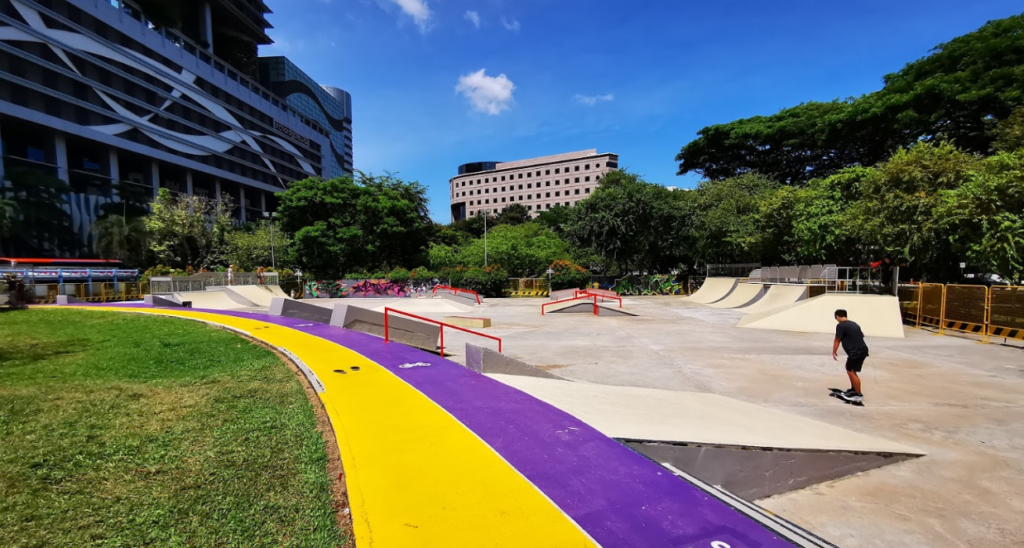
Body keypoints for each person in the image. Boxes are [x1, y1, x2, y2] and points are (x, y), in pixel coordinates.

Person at [832, 309, 869, 403]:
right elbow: (860, 336)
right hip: (862, 349)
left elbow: (837, 339)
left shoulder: (841, 325)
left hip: (855, 351)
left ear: (837, 316)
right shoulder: (854, 324)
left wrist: (834, 352)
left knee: (851, 371)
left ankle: (858, 394)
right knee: (851, 370)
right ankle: (854, 389)